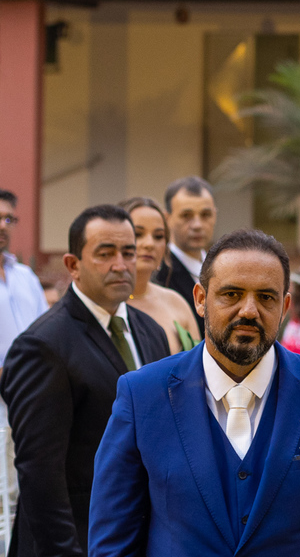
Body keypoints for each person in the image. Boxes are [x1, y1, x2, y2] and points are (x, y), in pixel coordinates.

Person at [89, 229, 300, 556]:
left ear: (284, 306)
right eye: (232, 294)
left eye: (266, 297)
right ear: (200, 298)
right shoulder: (142, 396)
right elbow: (112, 543)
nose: (249, 310)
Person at [1, 205, 170, 557]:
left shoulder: (149, 332)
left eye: (128, 252)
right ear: (73, 265)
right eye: (105, 254)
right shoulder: (42, 345)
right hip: (75, 539)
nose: (121, 265)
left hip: (140, 534)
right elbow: (39, 474)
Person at [0, 190, 49, 544]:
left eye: (8, 219)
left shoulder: (26, 277)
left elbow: (43, 336)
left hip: (27, 405)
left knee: (20, 497)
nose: (3, 226)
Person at [120, 197, 202, 353]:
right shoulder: (106, 305)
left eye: (158, 236)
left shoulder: (176, 302)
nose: (149, 244)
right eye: (138, 234)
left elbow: (198, 367)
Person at [154, 176, 218, 331]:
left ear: (215, 215)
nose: (197, 225)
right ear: (167, 218)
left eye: (205, 215)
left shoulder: (224, 268)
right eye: (186, 216)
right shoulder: (158, 275)